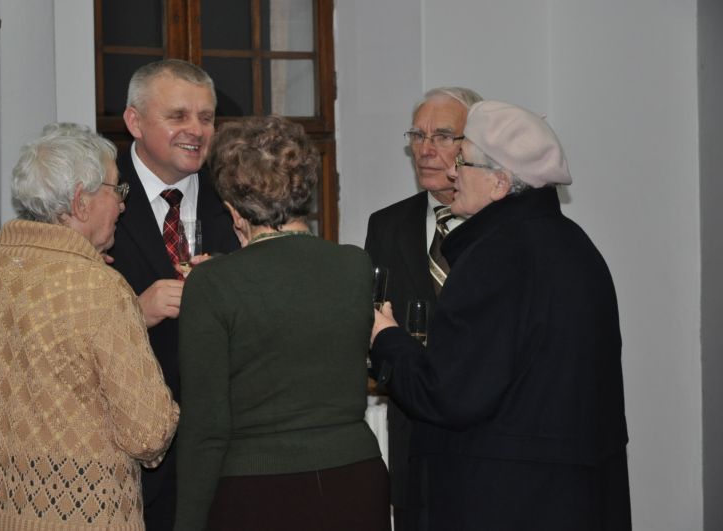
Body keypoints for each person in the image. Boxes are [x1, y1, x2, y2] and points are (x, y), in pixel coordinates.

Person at [370, 101, 631, 530]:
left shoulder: (496, 256)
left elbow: (448, 394)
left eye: (462, 161)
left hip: (505, 497)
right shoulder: (575, 244)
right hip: (572, 496)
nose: (452, 173)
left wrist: (387, 339)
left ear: (500, 183)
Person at [0, 124, 179, 530]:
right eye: (116, 190)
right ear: (80, 202)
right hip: (82, 519)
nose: (122, 205)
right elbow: (148, 433)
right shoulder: (100, 288)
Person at [174, 115, 390, 531]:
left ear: (234, 210)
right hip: (355, 478)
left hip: (259, 488)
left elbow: (206, 428)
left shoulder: (213, 283)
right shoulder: (354, 265)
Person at [109, 59, 240, 529]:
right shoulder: (97, 195)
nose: (197, 131)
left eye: (206, 118)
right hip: (124, 450)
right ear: (135, 121)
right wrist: (133, 312)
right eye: (178, 116)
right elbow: (59, 317)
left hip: (223, 449)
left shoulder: (236, 194)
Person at [363, 86, 483, 531]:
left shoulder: (502, 229)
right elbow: (372, 320)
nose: (425, 150)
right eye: (417, 135)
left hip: (484, 438)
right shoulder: (387, 224)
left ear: (474, 145)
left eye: (443, 136)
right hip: (412, 436)